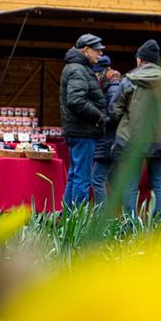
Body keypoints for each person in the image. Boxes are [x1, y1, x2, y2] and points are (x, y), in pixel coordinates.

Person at [113, 39, 161, 219]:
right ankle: (158, 223)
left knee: (130, 183)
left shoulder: (128, 81)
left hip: (132, 139)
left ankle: (130, 223)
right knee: (158, 182)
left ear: (140, 60)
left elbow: (115, 109)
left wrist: (124, 125)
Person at [59, 33, 107, 206]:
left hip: (78, 131)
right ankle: (79, 221)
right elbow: (76, 100)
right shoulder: (77, 69)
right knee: (82, 177)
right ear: (86, 50)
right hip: (83, 131)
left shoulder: (76, 68)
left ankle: (69, 219)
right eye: (97, 50)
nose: (100, 54)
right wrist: (99, 115)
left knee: (74, 175)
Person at [92, 56, 122, 205]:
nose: (97, 77)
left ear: (107, 72)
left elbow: (115, 116)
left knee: (97, 180)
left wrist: (98, 119)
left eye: (98, 74)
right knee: (115, 180)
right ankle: (125, 215)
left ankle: (101, 220)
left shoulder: (113, 89)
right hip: (109, 140)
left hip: (107, 141)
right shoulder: (110, 87)